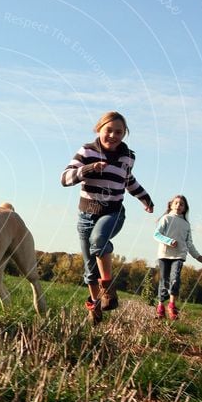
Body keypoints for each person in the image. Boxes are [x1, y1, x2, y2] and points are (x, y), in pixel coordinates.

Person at [61, 111, 154, 325]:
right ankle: (95, 307)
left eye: (119, 132)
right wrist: (89, 168)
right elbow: (64, 178)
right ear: (99, 129)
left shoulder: (128, 157)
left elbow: (128, 180)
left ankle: (109, 290)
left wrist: (145, 199)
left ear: (125, 134)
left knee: (99, 240)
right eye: (108, 130)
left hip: (113, 212)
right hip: (86, 216)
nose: (113, 135)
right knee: (89, 271)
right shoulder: (86, 151)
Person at [154, 194, 202, 320]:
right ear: (170, 205)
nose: (178, 205)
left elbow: (189, 243)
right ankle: (160, 307)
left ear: (185, 208)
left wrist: (196, 255)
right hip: (164, 254)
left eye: (181, 204)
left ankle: (171, 305)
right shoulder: (166, 218)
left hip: (179, 255)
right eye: (176, 203)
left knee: (175, 279)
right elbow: (156, 234)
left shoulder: (186, 225)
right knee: (164, 281)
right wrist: (169, 241)